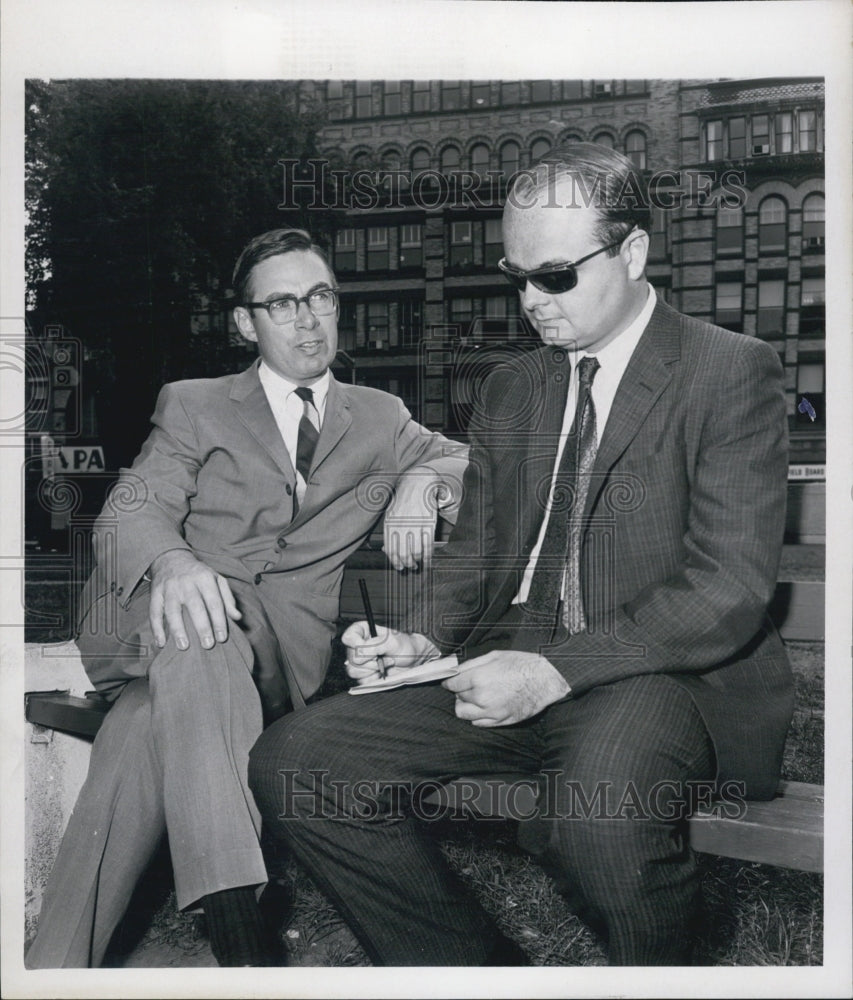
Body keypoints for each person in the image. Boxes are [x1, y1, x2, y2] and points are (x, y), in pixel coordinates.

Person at [249, 145, 796, 966]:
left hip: (656, 672)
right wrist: (422, 639)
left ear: (633, 252)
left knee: (598, 818)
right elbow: (474, 551)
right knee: (297, 762)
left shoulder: (728, 372)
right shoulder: (514, 388)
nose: (530, 301)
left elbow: (726, 586)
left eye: (554, 276)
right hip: (506, 657)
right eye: (517, 276)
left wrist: (552, 673)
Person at [26, 228, 468, 968]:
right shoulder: (195, 405)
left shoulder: (381, 417)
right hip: (150, 628)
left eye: (321, 297)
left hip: (267, 667)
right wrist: (173, 562)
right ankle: (239, 927)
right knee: (203, 624)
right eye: (282, 303)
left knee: (137, 736)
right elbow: (131, 508)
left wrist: (424, 485)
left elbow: (472, 467)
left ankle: (51, 971)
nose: (306, 319)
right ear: (245, 323)